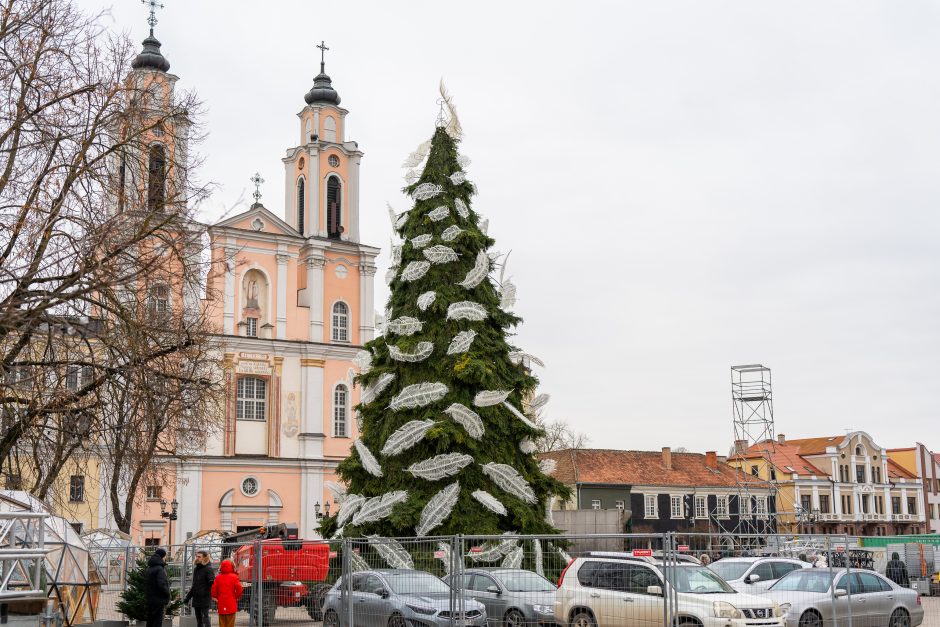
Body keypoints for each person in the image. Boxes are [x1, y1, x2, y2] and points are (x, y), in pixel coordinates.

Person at [185, 551, 216, 627]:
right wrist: (188, 597)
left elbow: (212, 583)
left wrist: (210, 582)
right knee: (199, 620)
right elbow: (194, 585)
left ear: (205, 558)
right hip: (196, 598)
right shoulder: (196, 569)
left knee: (205, 618)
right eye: (197, 556)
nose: (197, 558)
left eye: (199, 557)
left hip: (205, 598)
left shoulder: (208, 569)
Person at [211, 559, 243, 627]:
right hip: (231, 603)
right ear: (232, 566)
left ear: (221, 566)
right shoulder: (234, 577)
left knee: (222, 623)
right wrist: (237, 597)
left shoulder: (218, 577)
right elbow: (239, 589)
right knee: (230, 623)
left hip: (221, 603)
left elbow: (213, 589)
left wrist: (216, 597)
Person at [144, 548, 171, 627]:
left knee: (150, 620)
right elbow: (162, 584)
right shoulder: (160, 569)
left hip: (150, 599)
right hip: (159, 600)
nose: (166, 558)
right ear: (162, 556)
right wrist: (167, 594)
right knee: (157, 621)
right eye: (165, 556)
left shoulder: (150, 568)